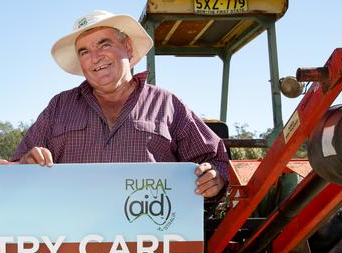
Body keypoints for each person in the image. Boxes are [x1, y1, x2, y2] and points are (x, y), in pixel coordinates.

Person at [12, 10, 228, 198]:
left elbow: (214, 161)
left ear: (128, 48)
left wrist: (214, 179)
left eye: (104, 44)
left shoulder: (167, 104)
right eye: (84, 52)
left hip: (150, 238)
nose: (95, 57)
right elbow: (16, 167)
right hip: (73, 239)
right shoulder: (59, 106)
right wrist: (26, 165)